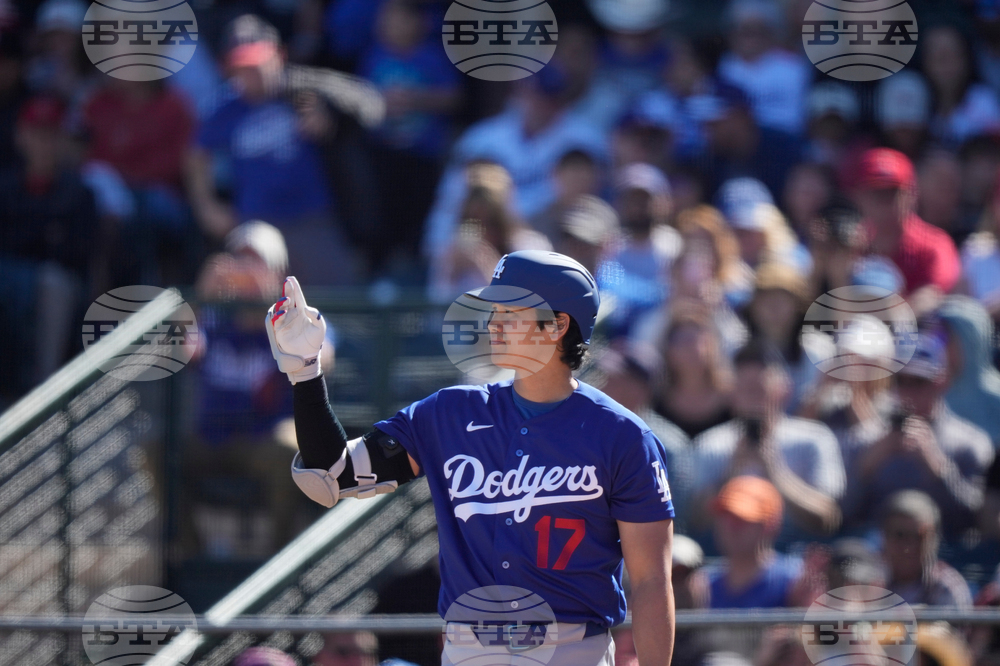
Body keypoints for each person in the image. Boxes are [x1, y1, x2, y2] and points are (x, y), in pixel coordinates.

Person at [272, 251, 676, 665]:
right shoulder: (448, 413)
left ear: (557, 325)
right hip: (469, 651)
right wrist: (305, 372)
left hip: (573, 651)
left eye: (510, 311)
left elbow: (650, 582)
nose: (493, 323)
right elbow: (330, 476)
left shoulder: (624, 437)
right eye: (494, 310)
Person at [185, 14, 358, 286]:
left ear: (278, 56)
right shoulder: (225, 107)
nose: (252, 74)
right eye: (243, 66)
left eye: (258, 63)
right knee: (258, 310)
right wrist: (207, 206)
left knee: (336, 301)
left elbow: (361, 105)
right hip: (256, 226)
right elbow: (196, 155)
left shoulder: (302, 89)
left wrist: (328, 117)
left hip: (311, 218)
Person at [690, 339, 844, 542]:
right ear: (731, 393)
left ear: (785, 389)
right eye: (745, 389)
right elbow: (695, 522)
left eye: (760, 388)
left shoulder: (814, 439)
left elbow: (828, 519)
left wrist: (775, 471)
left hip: (798, 554)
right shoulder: (710, 445)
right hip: (726, 557)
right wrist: (730, 475)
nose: (753, 397)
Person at [851, 334, 993, 539]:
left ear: (941, 381)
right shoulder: (866, 438)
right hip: (876, 552)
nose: (907, 391)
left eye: (918, 381)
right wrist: (864, 471)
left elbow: (976, 519)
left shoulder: (969, 442)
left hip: (945, 553)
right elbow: (840, 516)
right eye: (900, 381)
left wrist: (939, 470)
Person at [853, 147, 961, 317]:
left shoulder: (934, 243)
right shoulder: (849, 244)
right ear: (859, 197)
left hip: (916, 334)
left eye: (893, 193)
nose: (885, 202)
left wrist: (890, 318)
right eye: (876, 193)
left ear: (911, 194)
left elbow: (933, 295)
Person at [704, 476, 803, 608]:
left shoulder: (795, 581)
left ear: (769, 525)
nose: (731, 526)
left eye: (742, 518)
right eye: (725, 515)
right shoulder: (702, 584)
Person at [880, 490, 973, 608]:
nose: (909, 546)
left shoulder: (947, 586)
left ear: (934, 539)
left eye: (919, 536)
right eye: (900, 535)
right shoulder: (871, 581)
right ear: (884, 537)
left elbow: (957, 626)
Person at [654, 307, 734, 440]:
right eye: (680, 340)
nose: (689, 348)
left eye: (695, 340)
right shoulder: (654, 399)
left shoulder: (732, 400)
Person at [939, 296, 1000, 446]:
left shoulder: (996, 401)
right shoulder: (932, 393)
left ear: (971, 342)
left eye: (948, 338)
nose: (941, 346)